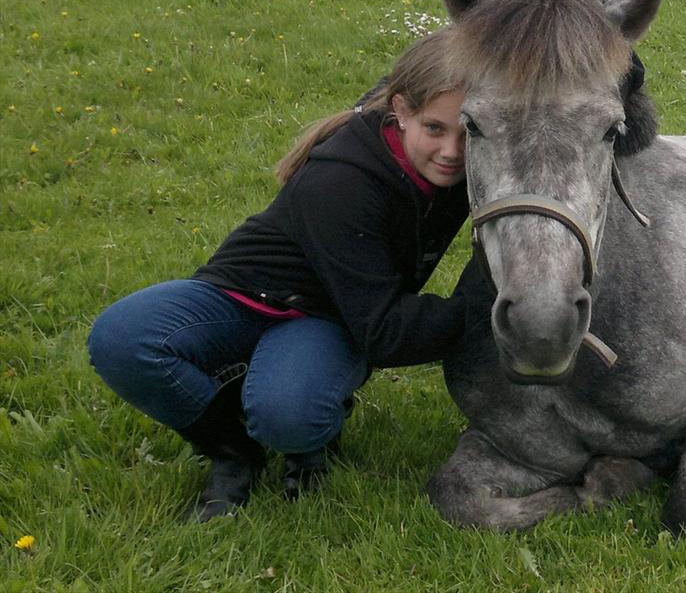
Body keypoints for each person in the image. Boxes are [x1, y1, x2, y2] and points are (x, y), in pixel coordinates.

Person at [87, 29, 472, 521]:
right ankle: (232, 452)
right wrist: (492, 305)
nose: (452, 151)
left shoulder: (461, 159)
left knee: (287, 415)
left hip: (330, 317)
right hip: (244, 294)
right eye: (435, 128)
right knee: (122, 337)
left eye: (467, 132)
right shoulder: (342, 181)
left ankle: (301, 418)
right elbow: (388, 334)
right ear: (399, 110)